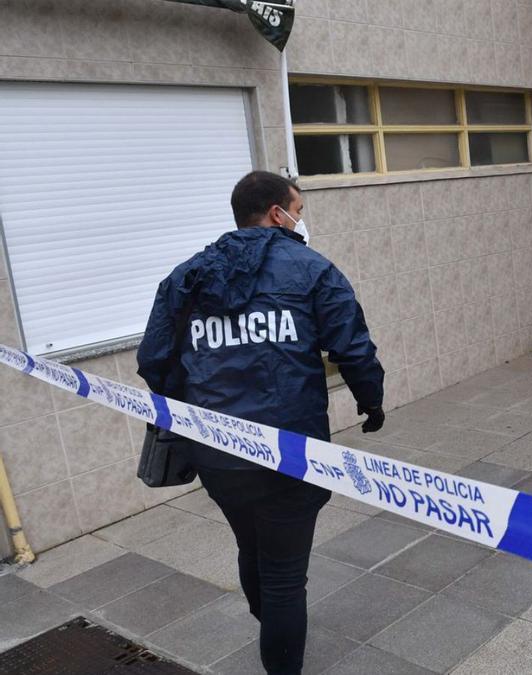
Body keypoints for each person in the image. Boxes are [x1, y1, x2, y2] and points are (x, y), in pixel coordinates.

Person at [137, 171, 386, 675]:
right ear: (278, 213)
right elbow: (353, 348)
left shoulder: (187, 275)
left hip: (218, 455)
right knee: (285, 577)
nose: (301, 218)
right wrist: (372, 402)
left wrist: (190, 406)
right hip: (290, 455)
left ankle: (270, 620)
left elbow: (153, 360)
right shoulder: (311, 269)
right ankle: (280, 650)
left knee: (251, 546)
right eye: (298, 207)